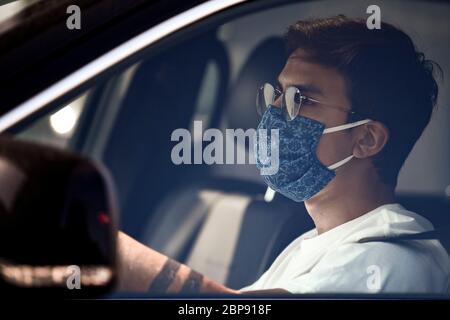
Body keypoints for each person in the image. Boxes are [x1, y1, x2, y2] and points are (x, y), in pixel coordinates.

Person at [117, 15, 450, 294]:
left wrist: (115, 253)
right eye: (278, 94)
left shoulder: (393, 260)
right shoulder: (315, 242)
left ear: (366, 139)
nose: (273, 113)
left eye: (299, 99)